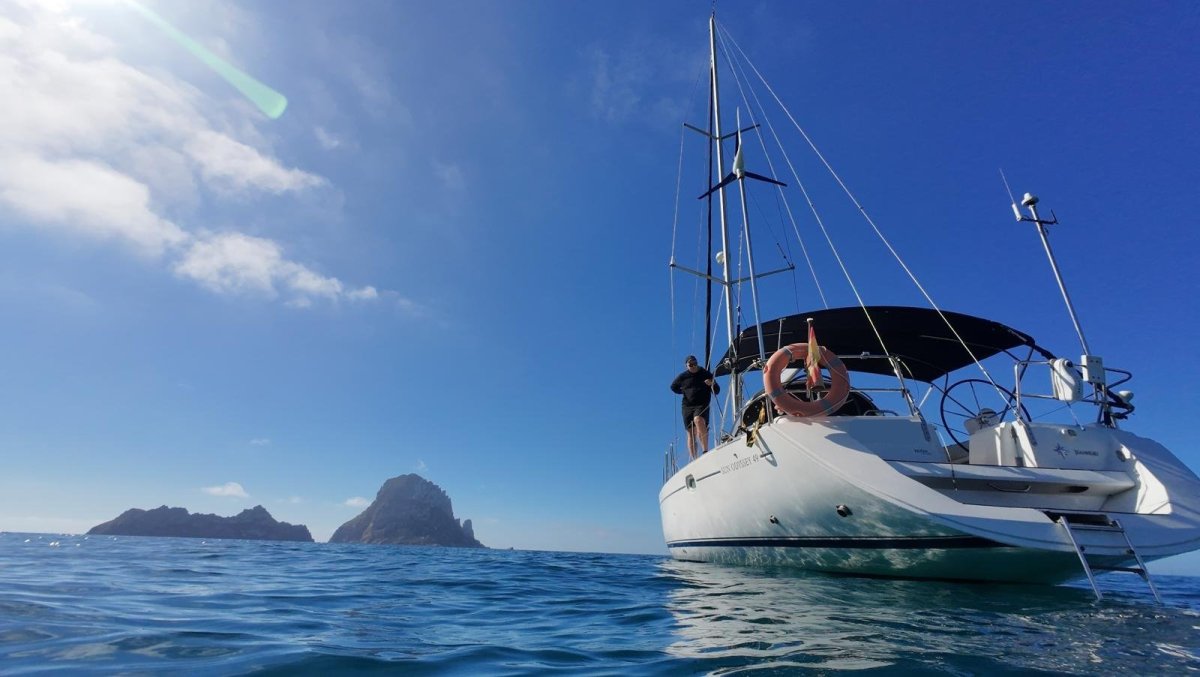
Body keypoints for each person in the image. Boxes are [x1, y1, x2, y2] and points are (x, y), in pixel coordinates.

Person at [670, 355, 720, 459]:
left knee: (698, 420)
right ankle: (694, 458)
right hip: (687, 405)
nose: (693, 366)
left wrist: (711, 384)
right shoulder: (683, 376)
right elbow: (673, 387)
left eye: (695, 363)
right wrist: (683, 391)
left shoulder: (705, 373)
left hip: (702, 403)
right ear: (686, 366)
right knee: (690, 432)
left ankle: (705, 450)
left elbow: (717, 390)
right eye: (691, 364)